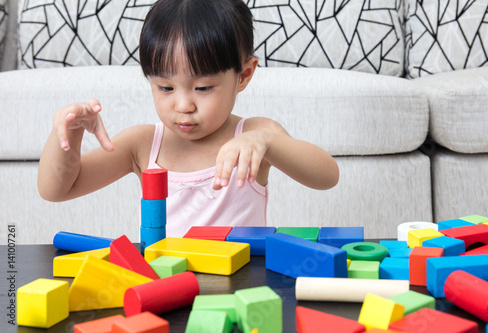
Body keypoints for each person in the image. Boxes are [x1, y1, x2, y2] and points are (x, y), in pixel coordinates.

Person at [37, 0, 340, 237]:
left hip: (241, 286)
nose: (183, 105)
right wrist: (69, 135)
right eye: (165, 87)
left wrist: (269, 143)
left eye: (203, 87)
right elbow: (58, 190)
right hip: (168, 286)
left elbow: (327, 177)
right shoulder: (142, 144)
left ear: (244, 75)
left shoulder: (256, 134)